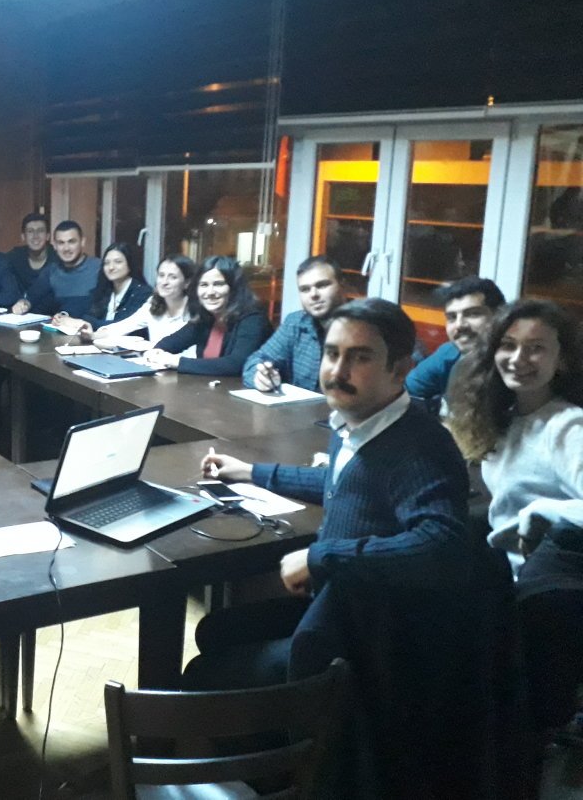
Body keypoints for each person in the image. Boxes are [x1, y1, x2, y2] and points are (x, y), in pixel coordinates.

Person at [196, 299, 484, 797]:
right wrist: (251, 472)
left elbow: (443, 543)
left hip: (370, 636)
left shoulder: (419, 445)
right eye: (332, 354)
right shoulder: (359, 420)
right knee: (216, 629)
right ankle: (278, 765)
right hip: (337, 604)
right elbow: (342, 480)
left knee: (205, 676)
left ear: (400, 369)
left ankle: (286, 776)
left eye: (360, 357)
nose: (338, 370)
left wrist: (320, 557)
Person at [447, 300, 583, 729]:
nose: (519, 358)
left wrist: (542, 511)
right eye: (508, 345)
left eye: (536, 348)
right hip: (507, 581)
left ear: (561, 361)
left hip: (546, 599)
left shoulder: (567, 427)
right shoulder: (503, 418)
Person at [144, 255, 270, 375]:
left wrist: (176, 361)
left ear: (234, 287)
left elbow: (236, 364)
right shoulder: (206, 317)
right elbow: (171, 343)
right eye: (204, 285)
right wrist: (156, 352)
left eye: (218, 284)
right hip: (207, 386)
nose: (210, 292)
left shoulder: (253, 318)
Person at [242, 255, 347, 392]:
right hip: (302, 406)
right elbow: (257, 359)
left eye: (322, 285)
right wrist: (260, 377)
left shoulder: (363, 328)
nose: (313, 294)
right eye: (305, 289)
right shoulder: (295, 323)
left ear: (342, 285)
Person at [406, 275, 505, 412]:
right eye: (452, 317)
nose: (459, 325)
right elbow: (405, 391)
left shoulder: (515, 363)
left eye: (473, 314)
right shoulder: (449, 355)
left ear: (500, 316)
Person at [48, 241, 151, 336]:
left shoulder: (142, 293)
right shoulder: (105, 288)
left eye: (118, 262)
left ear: (130, 264)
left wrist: (83, 323)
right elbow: (87, 314)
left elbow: (122, 325)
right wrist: (65, 317)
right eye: (107, 263)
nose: (111, 267)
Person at [89, 254, 194, 345]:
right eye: (161, 275)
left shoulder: (195, 311)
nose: (164, 282)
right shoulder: (153, 304)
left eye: (173, 277)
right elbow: (124, 326)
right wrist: (91, 335)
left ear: (187, 283)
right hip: (155, 360)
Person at [11, 220, 101, 318]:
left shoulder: (98, 268)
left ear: (82, 242)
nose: (66, 248)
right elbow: (31, 297)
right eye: (61, 243)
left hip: (91, 326)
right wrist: (23, 304)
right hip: (59, 325)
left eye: (71, 242)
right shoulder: (51, 271)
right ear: (55, 245)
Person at [7, 212, 56, 296]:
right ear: (23, 236)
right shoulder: (14, 257)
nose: (35, 236)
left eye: (40, 231)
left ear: (48, 236)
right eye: (30, 231)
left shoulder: (58, 260)